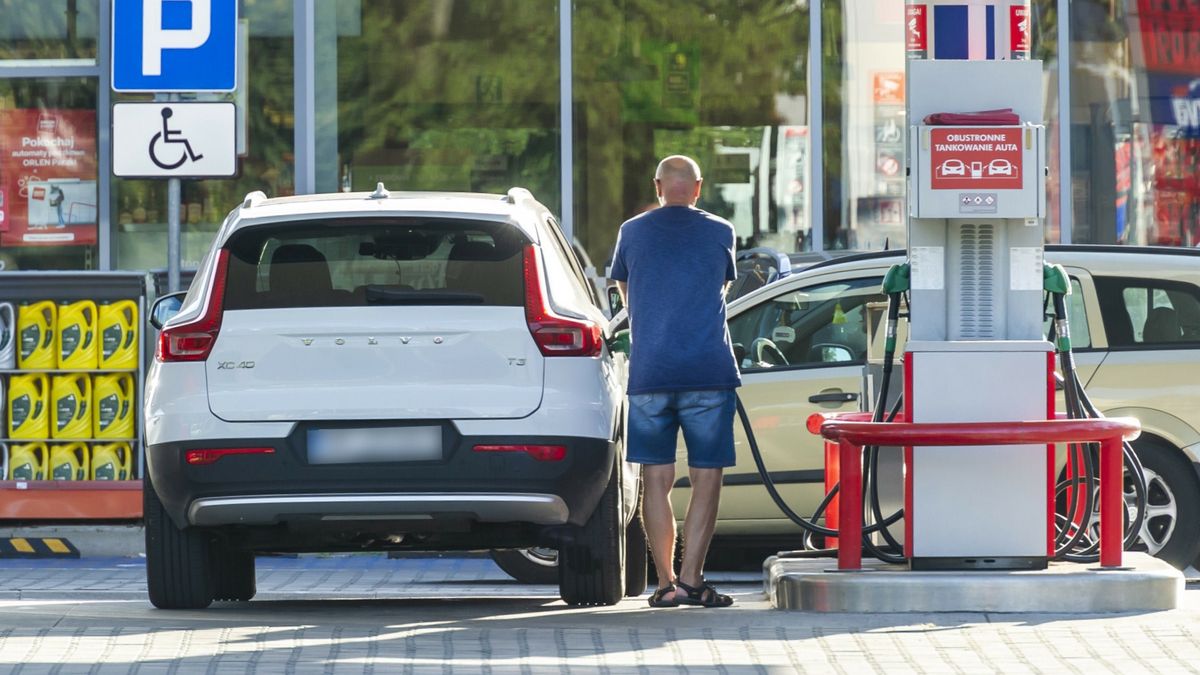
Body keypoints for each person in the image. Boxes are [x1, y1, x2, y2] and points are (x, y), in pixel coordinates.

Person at [609, 155, 740, 608]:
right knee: (707, 479)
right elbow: (720, 288)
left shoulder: (632, 231)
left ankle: (664, 585)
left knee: (655, 477)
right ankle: (692, 580)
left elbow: (627, 294)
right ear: (698, 188)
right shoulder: (721, 231)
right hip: (708, 370)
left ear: (658, 185)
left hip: (651, 372)